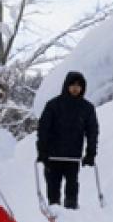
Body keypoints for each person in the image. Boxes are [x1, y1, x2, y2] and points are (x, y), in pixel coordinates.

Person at [36, 71, 100, 210]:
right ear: (66, 85)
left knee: (72, 187)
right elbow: (43, 130)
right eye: (73, 84)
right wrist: (42, 151)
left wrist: (90, 154)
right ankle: (55, 213)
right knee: (53, 188)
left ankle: (71, 214)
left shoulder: (87, 108)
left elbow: (92, 132)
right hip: (53, 157)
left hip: (73, 157)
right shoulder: (53, 105)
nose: (75, 88)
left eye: (79, 85)